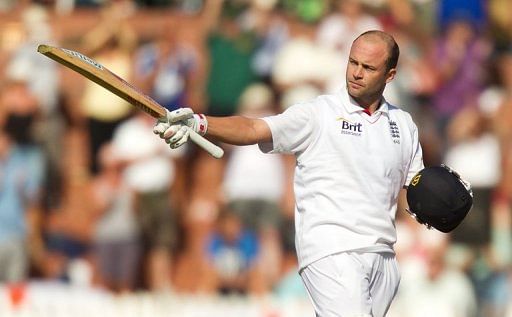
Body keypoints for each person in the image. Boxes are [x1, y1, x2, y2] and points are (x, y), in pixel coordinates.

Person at [154, 30, 424, 317]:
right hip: (330, 249)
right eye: (352, 62)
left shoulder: (403, 125)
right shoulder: (318, 113)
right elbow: (253, 128)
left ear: (390, 75)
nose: (356, 73)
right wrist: (200, 122)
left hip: (383, 254)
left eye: (368, 67)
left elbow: (414, 189)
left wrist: (441, 209)